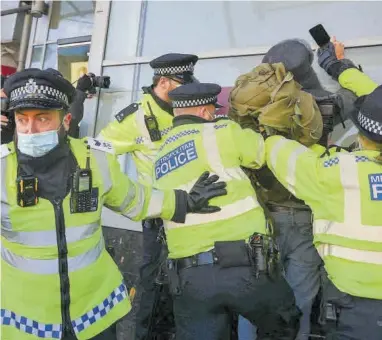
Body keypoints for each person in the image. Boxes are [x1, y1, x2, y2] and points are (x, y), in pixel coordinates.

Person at [0, 68, 226, 340]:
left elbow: (136, 200)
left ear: (66, 120)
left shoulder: (94, 160)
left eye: (43, 118)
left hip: (94, 311)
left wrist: (185, 201)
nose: (31, 130)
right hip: (27, 318)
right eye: (22, 120)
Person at [152, 82, 301, 340]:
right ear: (205, 112)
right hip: (243, 267)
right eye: (212, 110)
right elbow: (258, 154)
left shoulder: (160, 155)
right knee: (283, 323)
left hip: (188, 277)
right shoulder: (221, 130)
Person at [263, 80, 382, 339]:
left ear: (361, 136)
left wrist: (276, 130)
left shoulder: (335, 171)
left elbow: (279, 152)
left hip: (353, 311)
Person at [98, 53, 199, 340]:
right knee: (153, 284)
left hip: (197, 210)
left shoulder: (189, 105)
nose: (186, 91)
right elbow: (100, 157)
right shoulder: (135, 118)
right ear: (163, 82)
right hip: (161, 217)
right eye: (180, 84)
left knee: (193, 284)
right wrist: (129, 196)